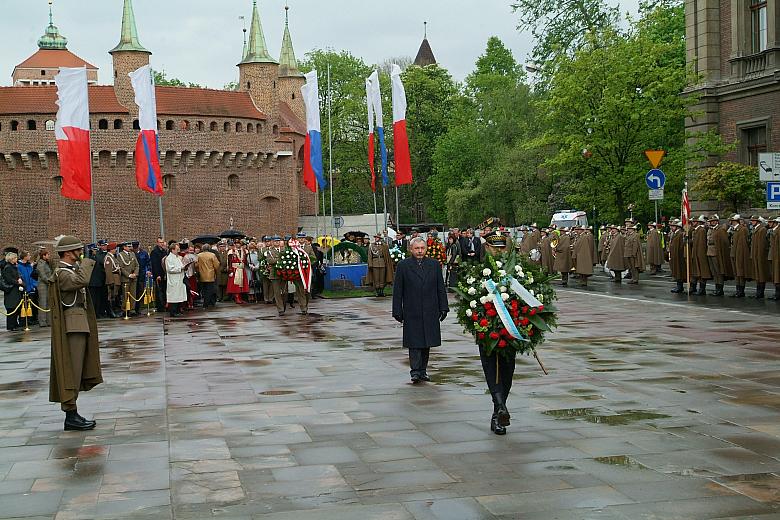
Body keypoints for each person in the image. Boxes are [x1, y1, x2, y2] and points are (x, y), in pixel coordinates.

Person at [49, 235, 102, 431]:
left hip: (79, 324)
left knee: (77, 369)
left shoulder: (69, 270)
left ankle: (73, 412)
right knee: (71, 370)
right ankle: (70, 414)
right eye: (78, 251)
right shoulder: (63, 273)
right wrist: (87, 261)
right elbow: (82, 281)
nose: (80, 253)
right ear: (68, 253)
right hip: (73, 326)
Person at [392, 236, 449, 384]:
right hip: (412, 309)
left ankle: (423, 370)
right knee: (415, 342)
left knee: (426, 342)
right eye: (417, 248)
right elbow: (398, 290)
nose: (420, 251)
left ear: (426, 249)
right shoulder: (403, 266)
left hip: (430, 308)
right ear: (411, 249)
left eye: (422, 248)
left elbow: (440, 287)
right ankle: (415, 371)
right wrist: (397, 310)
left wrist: (444, 307)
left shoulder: (434, 265)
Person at [706, 215, 733, 296]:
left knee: (718, 271)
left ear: (717, 221)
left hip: (716, 252)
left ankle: (720, 289)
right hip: (710, 252)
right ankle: (716, 287)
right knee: (714, 272)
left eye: (714, 221)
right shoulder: (710, 229)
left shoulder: (720, 230)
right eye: (711, 221)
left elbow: (724, 241)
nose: (712, 222)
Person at [729, 214, 751, 298]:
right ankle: (738, 289)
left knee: (740, 272)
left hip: (739, 254)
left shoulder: (742, 229)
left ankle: (741, 291)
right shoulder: (735, 229)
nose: (730, 222)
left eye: (732, 220)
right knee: (736, 273)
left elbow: (742, 244)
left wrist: (738, 254)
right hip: (734, 253)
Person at [749, 215, 770, 299]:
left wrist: (759, 255)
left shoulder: (762, 229)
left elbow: (762, 245)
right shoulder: (755, 229)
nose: (752, 222)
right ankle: (758, 292)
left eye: (754, 220)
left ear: (758, 221)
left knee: (761, 274)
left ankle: (760, 292)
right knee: (757, 274)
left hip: (760, 256)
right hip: (755, 254)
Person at [2, 251, 24, 331]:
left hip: (15, 290)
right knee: (11, 308)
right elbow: (9, 279)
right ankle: (11, 325)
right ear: (11, 259)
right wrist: (17, 282)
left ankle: (15, 324)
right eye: (15, 258)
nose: (16, 259)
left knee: (16, 307)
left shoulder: (14, 267)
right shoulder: (8, 267)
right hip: (11, 291)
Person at [690, 216, 711, 295]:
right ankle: (693, 287)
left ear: (698, 222)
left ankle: (702, 289)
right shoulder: (696, 230)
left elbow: (701, 244)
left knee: (702, 271)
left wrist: (700, 254)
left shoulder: (701, 230)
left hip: (700, 254)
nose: (693, 223)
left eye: (694, 221)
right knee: (696, 271)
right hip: (695, 253)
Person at [265, 236, 286, 315]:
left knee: (284, 292)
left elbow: (287, 259)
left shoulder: (284, 250)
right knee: (277, 293)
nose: (277, 242)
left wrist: (277, 260)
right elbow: (270, 260)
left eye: (278, 241)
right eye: (275, 241)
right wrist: (279, 260)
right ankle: (280, 309)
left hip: (284, 273)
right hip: (274, 274)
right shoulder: (270, 251)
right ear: (273, 242)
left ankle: (283, 306)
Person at [196, 244, 221, 309]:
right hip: (210, 275)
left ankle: (206, 301)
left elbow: (196, 265)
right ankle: (206, 303)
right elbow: (216, 265)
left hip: (201, 275)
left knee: (204, 290)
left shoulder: (199, 255)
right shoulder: (212, 255)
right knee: (210, 290)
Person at [117, 242, 139, 315]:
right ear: (124, 247)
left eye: (130, 246)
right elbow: (121, 267)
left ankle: (132, 309)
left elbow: (137, 265)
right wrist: (129, 275)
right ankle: (125, 309)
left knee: (133, 294)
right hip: (126, 278)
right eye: (128, 246)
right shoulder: (120, 255)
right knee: (125, 295)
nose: (130, 248)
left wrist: (135, 273)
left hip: (133, 277)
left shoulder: (132, 254)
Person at [165, 242, 186, 317]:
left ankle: (178, 310)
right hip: (173, 280)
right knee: (174, 297)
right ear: (172, 250)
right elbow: (170, 269)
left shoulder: (178, 257)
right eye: (177, 249)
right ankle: (173, 312)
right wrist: (180, 268)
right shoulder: (169, 258)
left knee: (179, 296)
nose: (178, 251)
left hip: (180, 279)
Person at [35, 249, 54, 327]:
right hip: (42, 286)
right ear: (43, 256)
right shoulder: (41, 264)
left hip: (47, 285)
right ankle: (42, 321)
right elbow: (43, 276)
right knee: (43, 303)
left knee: (48, 303)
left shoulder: (46, 263)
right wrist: (50, 281)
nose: (49, 256)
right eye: (47, 255)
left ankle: (48, 320)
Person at [667, 219, 687, 293]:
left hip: (679, 255)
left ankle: (680, 286)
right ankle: (678, 285)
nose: (671, 227)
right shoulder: (674, 234)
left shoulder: (680, 234)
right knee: (676, 270)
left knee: (679, 271)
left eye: (673, 226)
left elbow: (681, 246)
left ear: (677, 227)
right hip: (674, 254)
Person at [103, 243, 121, 317]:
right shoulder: (108, 258)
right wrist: (110, 282)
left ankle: (114, 310)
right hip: (112, 279)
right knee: (111, 296)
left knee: (115, 295)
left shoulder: (113, 257)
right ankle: (111, 312)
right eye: (114, 248)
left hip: (116, 278)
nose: (116, 250)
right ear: (111, 249)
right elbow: (108, 271)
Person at [150, 237, 168, 312]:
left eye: (163, 242)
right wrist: (157, 275)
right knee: (159, 291)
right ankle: (160, 306)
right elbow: (155, 264)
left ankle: (164, 304)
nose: (162, 244)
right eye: (160, 242)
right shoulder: (154, 252)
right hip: (159, 274)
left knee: (164, 290)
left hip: (164, 274)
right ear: (157, 243)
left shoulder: (164, 251)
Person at [770, 217, 780, 300]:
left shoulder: (777, 231)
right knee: (776, 275)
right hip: (774, 255)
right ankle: (777, 293)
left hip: (777, 256)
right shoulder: (774, 231)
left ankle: (778, 294)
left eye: (771, 222)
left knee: (777, 275)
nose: (769, 224)